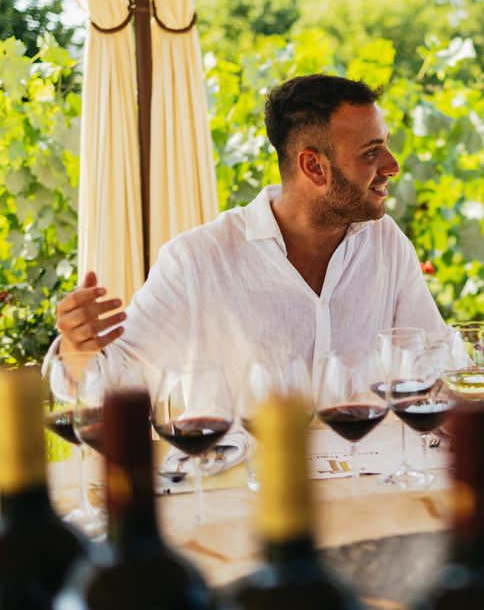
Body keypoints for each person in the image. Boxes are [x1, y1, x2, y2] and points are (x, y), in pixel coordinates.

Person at [51, 74, 445, 396]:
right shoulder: (199, 259)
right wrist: (76, 349)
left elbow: (433, 364)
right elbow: (117, 380)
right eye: (371, 152)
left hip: (366, 482)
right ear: (315, 167)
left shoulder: (386, 244)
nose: (392, 166)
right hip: (248, 486)